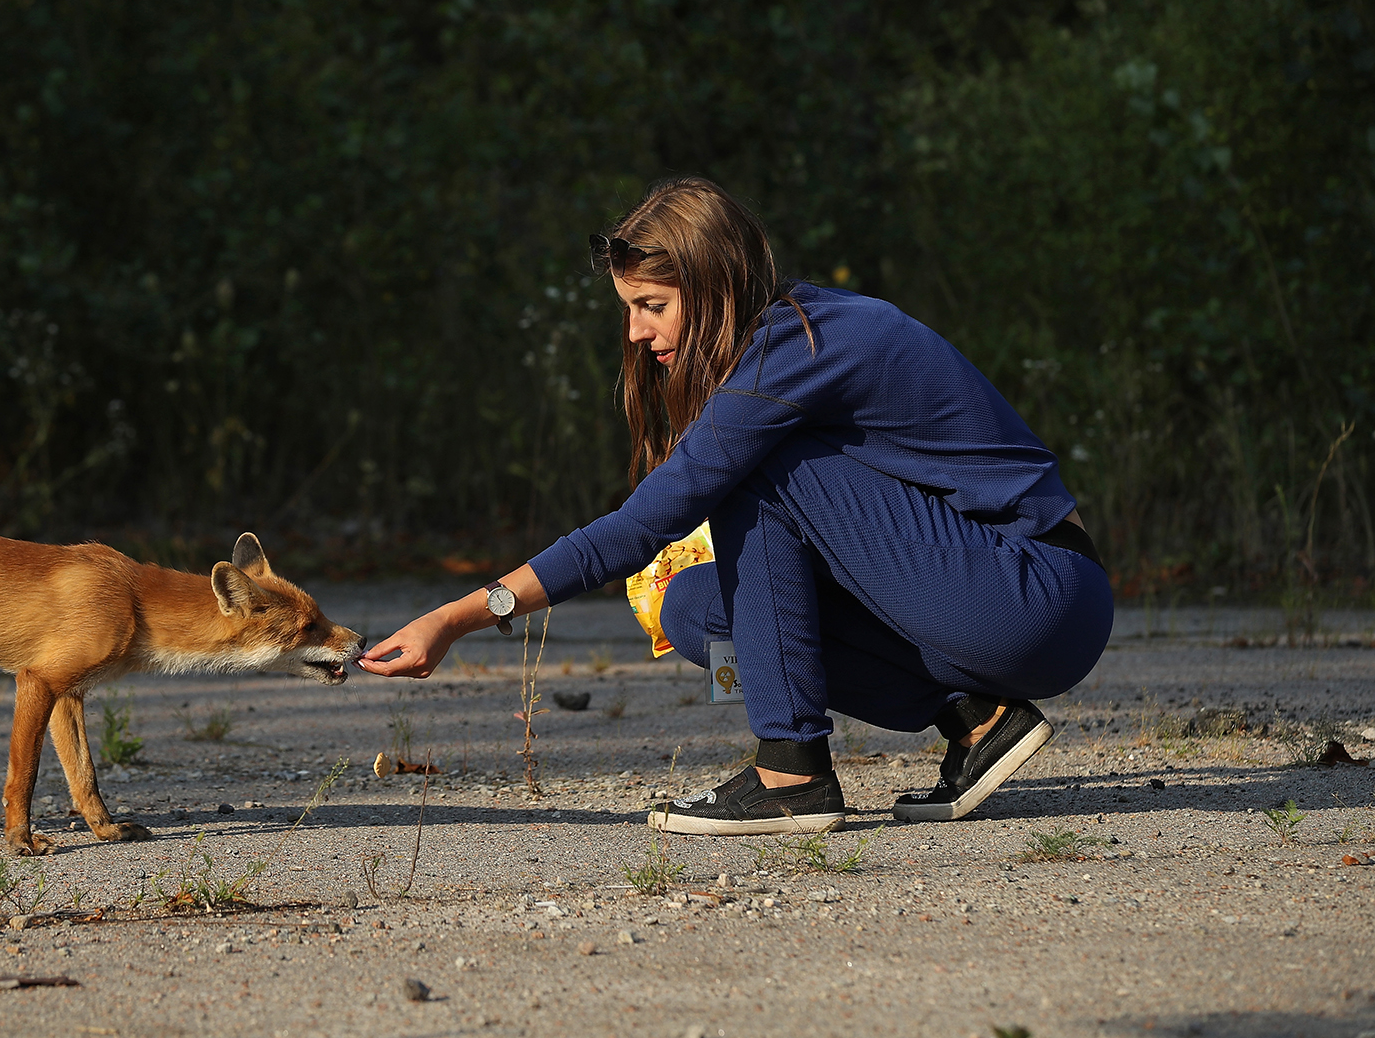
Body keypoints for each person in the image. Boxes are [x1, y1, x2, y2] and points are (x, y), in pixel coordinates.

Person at [358, 177, 1112, 835]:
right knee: (693, 607)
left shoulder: (803, 340)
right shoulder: (781, 346)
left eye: (651, 305)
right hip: (984, 606)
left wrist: (458, 615)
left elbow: (642, 523)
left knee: (756, 463)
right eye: (628, 307)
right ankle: (978, 718)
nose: (634, 329)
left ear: (713, 283)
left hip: (1040, 589)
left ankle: (791, 774)